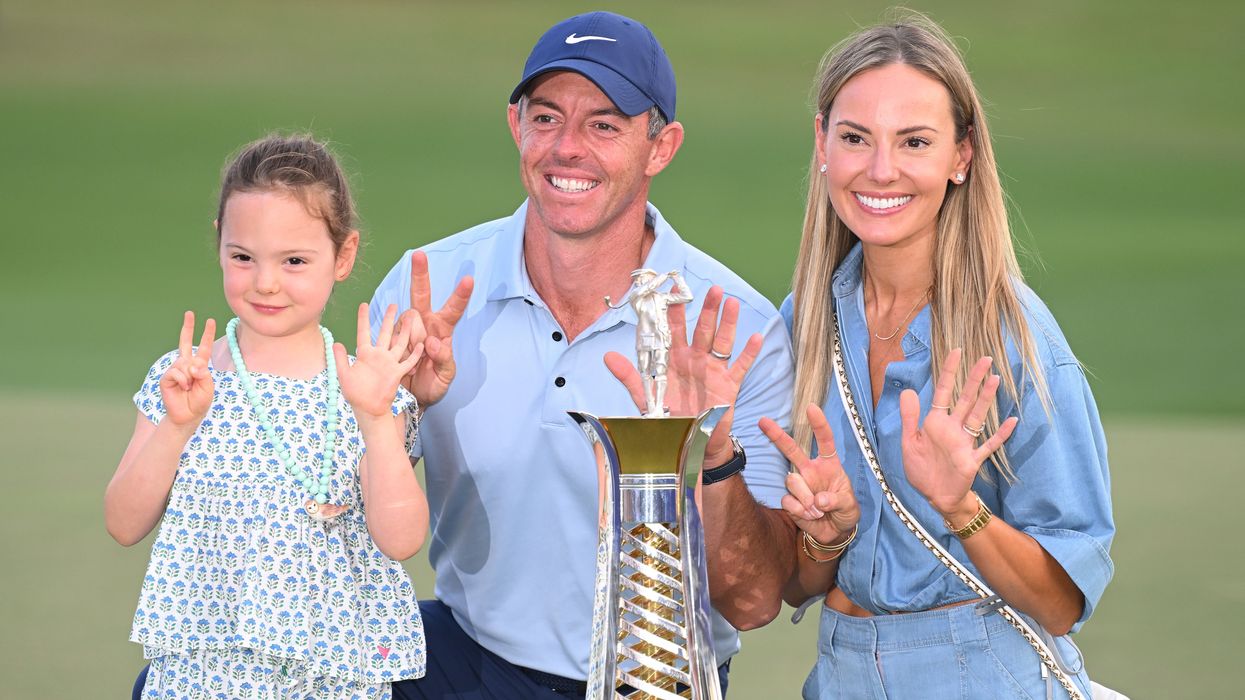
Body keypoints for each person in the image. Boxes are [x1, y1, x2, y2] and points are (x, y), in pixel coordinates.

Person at [369, 11, 796, 697]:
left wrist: (710, 452)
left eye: (603, 124)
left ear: (661, 146)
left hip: (653, 678)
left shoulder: (735, 329)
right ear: (516, 125)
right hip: (469, 654)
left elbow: (752, 602)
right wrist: (401, 412)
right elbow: (343, 517)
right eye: (546, 119)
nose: (567, 147)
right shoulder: (431, 287)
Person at [757, 12, 1116, 699]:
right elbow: (794, 584)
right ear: (822, 144)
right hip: (839, 674)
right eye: (855, 138)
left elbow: (1061, 604)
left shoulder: (1016, 340)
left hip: (982, 675)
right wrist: (825, 539)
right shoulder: (803, 320)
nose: (880, 169)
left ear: (960, 156)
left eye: (914, 141)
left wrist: (961, 509)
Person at [107, 134, 431, 699]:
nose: (265, 282)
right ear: (220, 245)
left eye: (295, 261)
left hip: (331, 678)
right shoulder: (185, 377)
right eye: (243, 257)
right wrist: (177, 427)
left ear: (344, 256)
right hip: (201, 674)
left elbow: (401, 540)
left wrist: (376, 419)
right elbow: (124, 522)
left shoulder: (368, 388)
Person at [625, 268, 694, 416]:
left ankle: (659, 407)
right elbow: (647, 288)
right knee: (645, 372)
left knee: (662, 372)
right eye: (636, 279)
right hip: (644, 338)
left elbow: (688, 297)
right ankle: (650, 405)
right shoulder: (636, 297)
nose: (638, 282)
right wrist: (664, 277)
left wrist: (678, 279)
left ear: (650, 278)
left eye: (641, 278)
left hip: (661, 337)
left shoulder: (662, 297)